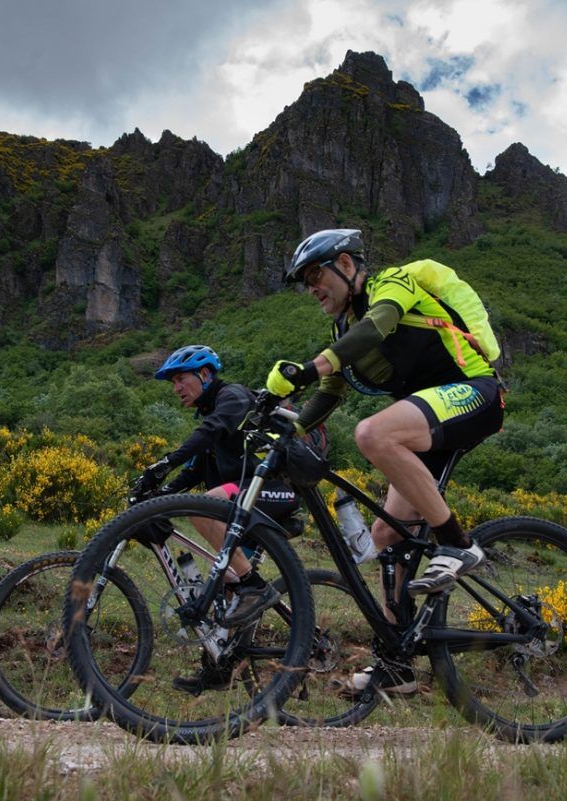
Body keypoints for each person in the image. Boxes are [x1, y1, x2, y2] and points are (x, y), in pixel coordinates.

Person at [265, 228, 504, 695]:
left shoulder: (392, 284)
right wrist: (284, 425)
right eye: (305, 281)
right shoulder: (340, 331)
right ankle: (396, 663)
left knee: (373, 433)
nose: (312, 288)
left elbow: (377, 326)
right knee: (385, 535)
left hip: (476, 393)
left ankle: (458, 544)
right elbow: (328, 393)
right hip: (426, 424)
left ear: (347, 266)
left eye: (316, 275)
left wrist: (309, 367)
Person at [134, 344, 301, 694]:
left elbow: (208, 434)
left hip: (276, 490)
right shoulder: (212, 412)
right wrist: (157, 499)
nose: (177, 388)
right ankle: (219, 668)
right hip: (244, 500)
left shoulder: (233, 398)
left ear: (205, 374)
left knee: (202, 506)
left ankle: (254, 587)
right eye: (173, 383)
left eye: (181, 379)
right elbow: (195, 470)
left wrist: (164, 462)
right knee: (222, 578)